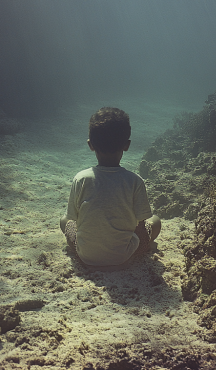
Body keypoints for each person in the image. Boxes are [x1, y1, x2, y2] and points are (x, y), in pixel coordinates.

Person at [60, 107, 161, 270]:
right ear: (127, 145)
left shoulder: (81, 178)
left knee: (64, 220)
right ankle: (140, 249)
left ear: (90, 145)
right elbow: (142, 225)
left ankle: (91, 248)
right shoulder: (135, 181)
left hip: (86, 256)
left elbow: (73, 217)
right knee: (155, 221)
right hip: (123, 256)